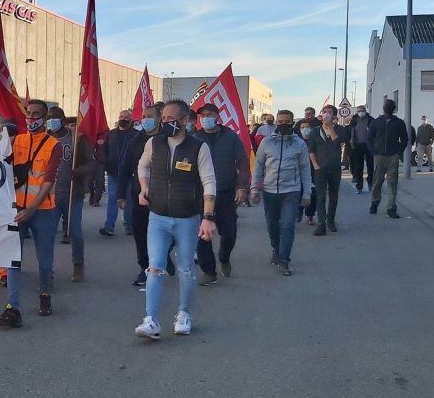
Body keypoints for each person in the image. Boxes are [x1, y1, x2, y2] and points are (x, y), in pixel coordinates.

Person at [132, 100, 217, 339]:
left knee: (186, 268)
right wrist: (144, 187)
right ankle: (150, 320)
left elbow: (209, 182)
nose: (165, 122)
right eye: (163, 118)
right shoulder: (154, 143)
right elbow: (142, 166)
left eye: (171, 118)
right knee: (155, 266)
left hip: (187, 218)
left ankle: (183, 314)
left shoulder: (198, 148)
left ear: (184, 120)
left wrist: (207, 216)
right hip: (158, 216)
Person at [0, 99, 63, 328]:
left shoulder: (54, 145)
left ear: (45, 118)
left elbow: (48, 181)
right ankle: (12, 307)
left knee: (44, 259)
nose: (31, 119)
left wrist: (31, 208)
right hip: (16, 209)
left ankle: (44, 294)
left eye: (36, 115)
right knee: (13, 258)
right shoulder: (17, 141)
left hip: (42, 211)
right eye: (29, 114)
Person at [118, 105, 175, 289]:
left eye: (149, 116)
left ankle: (163, 254)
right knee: (140, 232)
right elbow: (125, 167)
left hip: (166, 195)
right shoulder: (135, 140)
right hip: (140, 194)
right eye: (143, 116)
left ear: (160, 118)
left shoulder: (169, 139)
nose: (145, 119)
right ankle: (144, 267)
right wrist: (120, 194)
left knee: (170, 231)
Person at [194, 103, 250, 285]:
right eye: (202, 115)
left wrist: (242, 187)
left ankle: (224, 257)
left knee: (229, 233)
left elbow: (242, 161)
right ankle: (209, 271)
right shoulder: (194, 137)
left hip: (225, 192)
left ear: (217, 117)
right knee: (201, 234)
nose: (205, 118)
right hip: (200, 193)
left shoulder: (230, 137)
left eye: (209, 115)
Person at [251, 110, 311, 276]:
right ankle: (276, 249)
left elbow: (305, 169)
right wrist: (254, 189)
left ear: (292, 123)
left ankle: (284, 260)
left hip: (291, 191)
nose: (283, 124)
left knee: (287, 226)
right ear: (276, 122)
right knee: (272, 225)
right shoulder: (266, 143)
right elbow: (258, 167)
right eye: (280, 121)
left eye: (287, 121)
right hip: (269, 191)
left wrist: (307, 193)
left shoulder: (300, 144)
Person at [47, 107, 96, 281]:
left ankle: (78, 265)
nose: (51, 121)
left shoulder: (77, 139)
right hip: (49, 195)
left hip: (71, 193)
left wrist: (78, 171)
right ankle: (47, 271)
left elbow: (91, 163)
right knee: (47, 234)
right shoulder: (45, 138)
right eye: (48, 118)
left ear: (62, 120)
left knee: (75, 231)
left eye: (54, 118)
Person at [308, 105, 348, 235]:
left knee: (333, 195)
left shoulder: (340, 129)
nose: (326, 114)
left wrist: (330, 126)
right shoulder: (315, 131)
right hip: (320, 168)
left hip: (334, 167)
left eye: (329, 112)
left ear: (334, 116)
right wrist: (315, 165)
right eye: (324, 112)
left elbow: (338, 142)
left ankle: (330, 220)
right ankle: (321, 223)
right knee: (320, 196)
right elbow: (311, 150)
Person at [369, 99, 409, 218]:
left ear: (393, 109)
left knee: (392, 182)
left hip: (392, 156)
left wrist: (398, 151)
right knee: (377, 181)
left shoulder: (399, 123)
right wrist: (374, 151)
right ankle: (374, 202)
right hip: (379, 155)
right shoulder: (376, 122)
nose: (388, 108)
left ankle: (391, 208)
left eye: (390, 106)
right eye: (387, 106)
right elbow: (369, 138)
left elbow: (404, 139)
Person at [99, 110, 137, 236]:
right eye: (121, 116)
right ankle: (109, 226)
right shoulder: (111, 134)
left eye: (126, 117)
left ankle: (129, 225)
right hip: (113, 172)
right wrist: (106, 163)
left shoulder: (136, 135)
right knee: (112, 199)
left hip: (129, 174)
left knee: (129, 199)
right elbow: (104, 151)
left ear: (131, 120)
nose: (123, 119)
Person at [349, 105, 376, 194]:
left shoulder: (370, 119)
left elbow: (375, 132)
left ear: (365, 110)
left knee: (370, 166)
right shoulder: (354, 120)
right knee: (358, 167)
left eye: (362, 110)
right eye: (359, 111)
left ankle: (370, 183)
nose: (361, 112)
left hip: (369, 145)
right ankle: (359, 186)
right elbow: (351, 132)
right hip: (357, 145)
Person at [296, 119, 317, 225]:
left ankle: (310, 216)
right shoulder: (296, 142)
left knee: (312, 194)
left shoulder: (315, 140)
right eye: (302, 127)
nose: (305, 129)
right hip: (298, 172)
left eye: (307, 127)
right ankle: (298, 212)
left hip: (313, 171)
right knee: (298, 193)